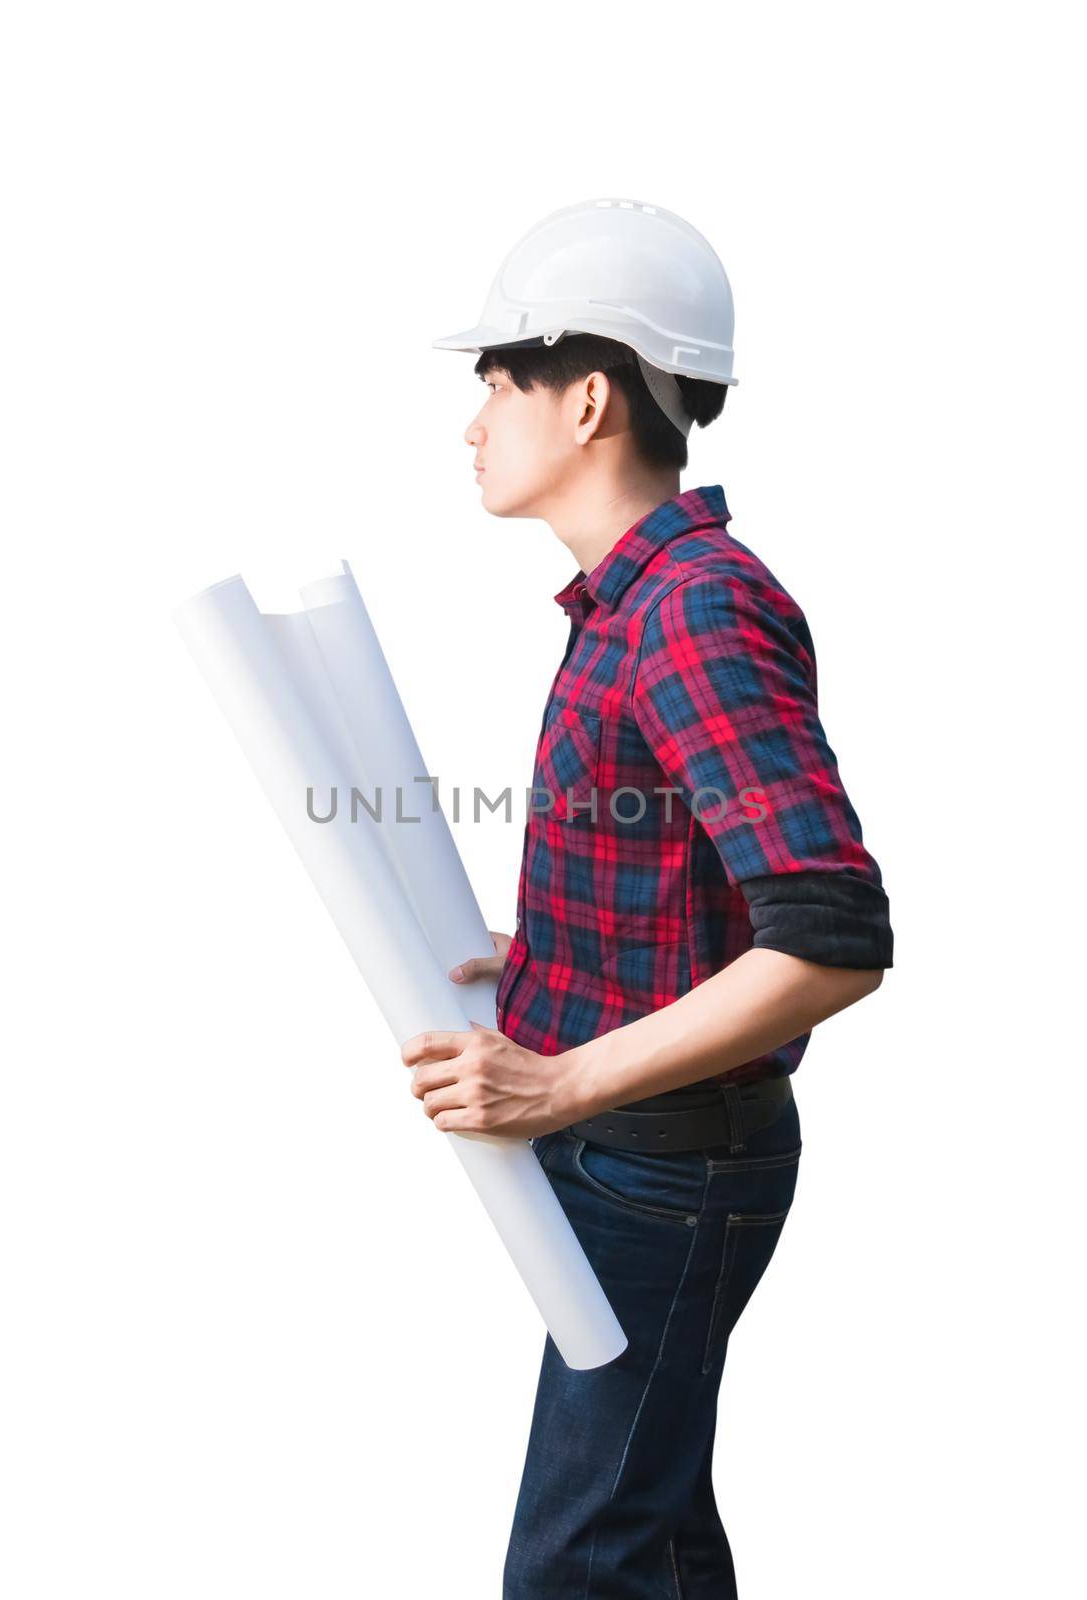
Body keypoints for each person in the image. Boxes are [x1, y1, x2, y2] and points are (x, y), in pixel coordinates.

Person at [402, 199, 894, 1598]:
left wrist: (556, 1087)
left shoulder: (689, 609)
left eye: (499, 381)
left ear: (591, 398)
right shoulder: (627, 601)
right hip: (640, 1148)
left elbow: (830, 933)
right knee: (650, 1530)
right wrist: (539, 960)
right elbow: (692, 879)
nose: (474, 420)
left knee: (578, 1562)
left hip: (664, 1166)